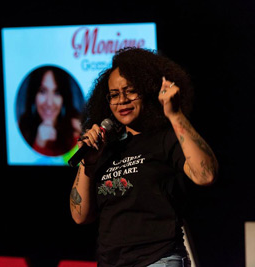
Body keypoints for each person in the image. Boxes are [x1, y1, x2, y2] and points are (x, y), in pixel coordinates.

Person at [69, 47, 218, 266]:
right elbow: (80, 216)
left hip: (157, 259)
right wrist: (87, 163)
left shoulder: (164, 138)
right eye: (114, 95)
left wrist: (175, 115)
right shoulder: (105, 149)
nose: (122, 100)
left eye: (130, 91)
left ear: (147, 91)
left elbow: (205, 175)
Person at [18, 66, 82, 156]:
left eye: (57, 92)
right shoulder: (20, 128)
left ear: (64, 98)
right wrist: (39, 144)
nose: (49, 102)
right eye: (42, 91)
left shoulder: (76, 131)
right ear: (33, 96)